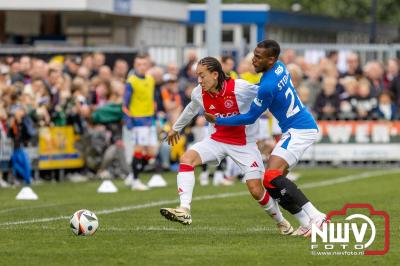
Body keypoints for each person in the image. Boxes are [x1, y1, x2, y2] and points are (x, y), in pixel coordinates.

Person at [205, 40, 326, 236]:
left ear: (271, 60)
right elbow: (260, 88)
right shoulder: (279, 67)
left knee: (271, 176)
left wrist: (219, 120)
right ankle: (305, 222)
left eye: (258, 57)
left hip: (299, 129)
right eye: (254, 54)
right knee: (271, 183)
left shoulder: (267, 86)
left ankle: (317, 216)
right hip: (297, 128)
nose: (253, 60)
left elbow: (250, 117)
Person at [160, 57, 293, 235]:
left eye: (202, 76)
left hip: (244, 145)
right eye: (197, 76)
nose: (199, 81)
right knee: (186, 159)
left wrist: (289, 111)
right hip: (216, 140)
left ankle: (282, 222)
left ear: (215, 74)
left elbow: (266, 94)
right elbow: (191, 108)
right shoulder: (199, 92)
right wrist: (176, 128)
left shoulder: (240, 88)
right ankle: (184, 210)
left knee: (255, 189)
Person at [123, 54, 159, 191]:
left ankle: (133, 175)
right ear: (135, 65)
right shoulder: (131, 82)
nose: (142, 67)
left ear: (148, 65)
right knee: (138, 150)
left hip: (150, 120)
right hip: (138, 120)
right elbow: (125, 104)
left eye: (144, 64)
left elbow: (152, 98)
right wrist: (128, 121)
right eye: (139, 64)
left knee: (152, 152)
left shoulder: (151, 79)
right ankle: (136, 181)